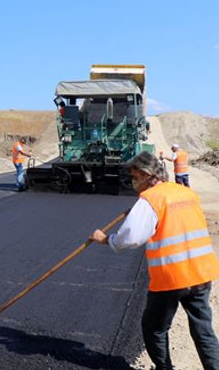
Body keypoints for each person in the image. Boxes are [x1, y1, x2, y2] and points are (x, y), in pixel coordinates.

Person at [90, 151, 219, 370]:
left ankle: (164, 368)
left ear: (145, 175)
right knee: (203, 328)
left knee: (154, 328)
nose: (133, 182)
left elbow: (130, 238)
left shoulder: (151, 199)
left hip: (172, 278)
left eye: (134, 177)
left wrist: (105, 239)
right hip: (201, 273)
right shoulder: (186, 193)